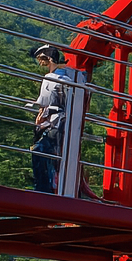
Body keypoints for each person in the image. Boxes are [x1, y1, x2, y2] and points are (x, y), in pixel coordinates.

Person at [26, 45, 78, 194]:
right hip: (63, 123)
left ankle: (44, 187)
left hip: (52, 122)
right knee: (56, 157)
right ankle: (53, 185)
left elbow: (43, 102)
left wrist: (40, 116)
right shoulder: (67, 79)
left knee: (40, 151)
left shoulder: (50, 78)